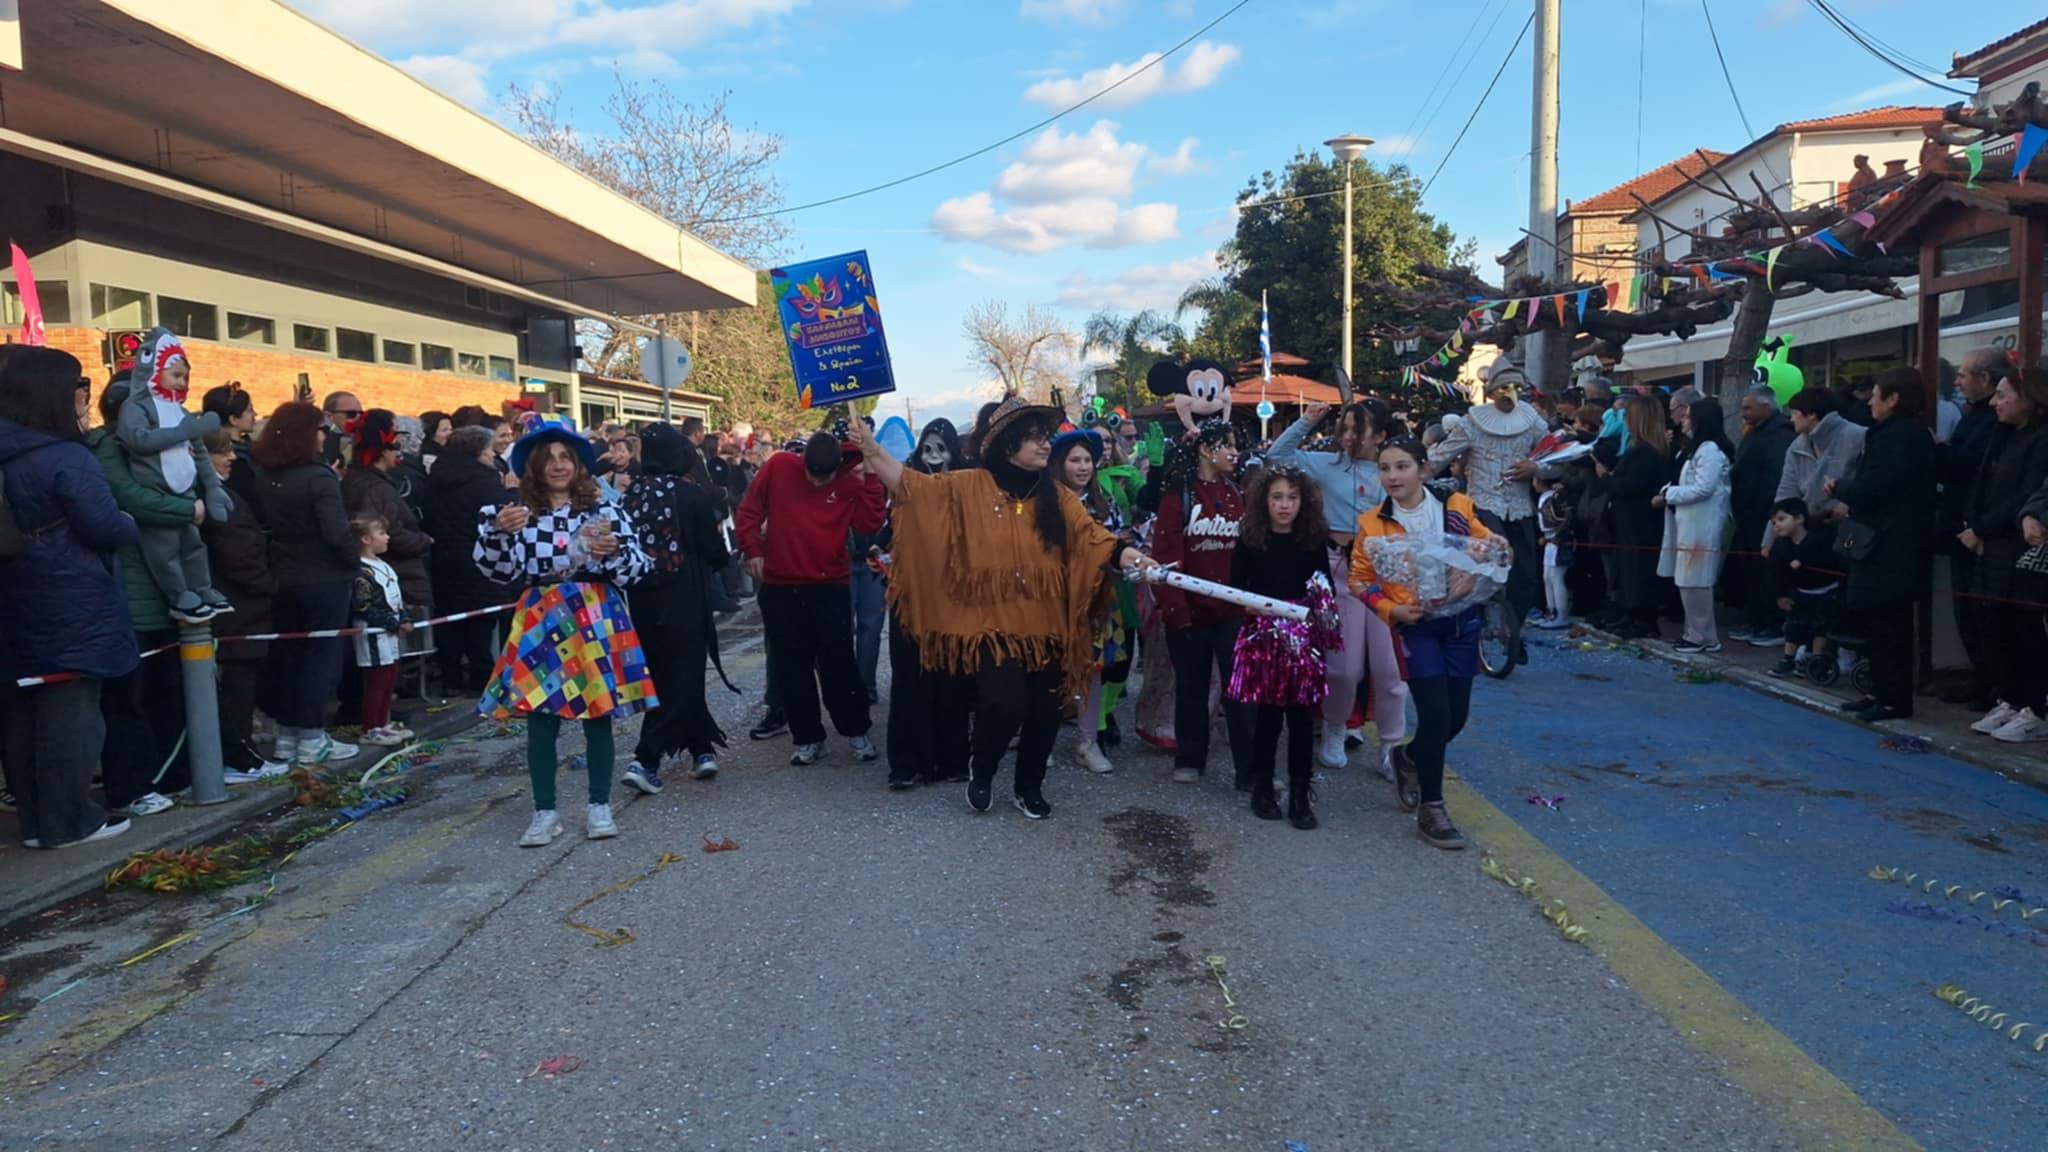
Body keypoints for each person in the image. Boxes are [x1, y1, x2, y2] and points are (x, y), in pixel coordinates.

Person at [847, 397, 1155, 819]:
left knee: (1046, 711)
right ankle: (983, 769)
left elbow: (1092, 537)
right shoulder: (968, 485)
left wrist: (1127, 556)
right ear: (1008, 445)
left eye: (1045, 437)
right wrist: (872, 449)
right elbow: (911, 488)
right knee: (1006, 703)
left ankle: (1028, 787)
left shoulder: (1058, 497)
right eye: (1034, 438)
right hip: (991, 625)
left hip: (1047, 625)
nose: (1045, 445)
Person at [475, 417, 655, 846]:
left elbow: (639, 570)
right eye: (548, 459)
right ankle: (544, 812)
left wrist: (613, 555)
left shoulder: (605, 508)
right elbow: (497, 573)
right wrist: (498, 533)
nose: (557, 466)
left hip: (595, 614)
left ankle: (599, 806)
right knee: (540, 716)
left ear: (577, 464)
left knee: (598, 714)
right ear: (534, 467)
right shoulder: (512, 512)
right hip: (541, 616)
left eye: (565, 457)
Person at [0, 348, 140, 847]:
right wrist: (128, 523)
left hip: (13, 600)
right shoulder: (64, 455)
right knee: (72, 713)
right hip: (69, 598)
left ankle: (37, 823)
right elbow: (104, 525)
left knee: (21, 713)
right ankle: (72, 820)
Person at [1352, 436, 1498, 850]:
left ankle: (1409, 758)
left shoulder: (1457, 508)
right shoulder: (1371, 523)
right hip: (1417, 627)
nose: (1392, 476)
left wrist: (1480, 559)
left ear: (1423, 469)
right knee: (1435, 715)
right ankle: (1432, 808)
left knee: (1456, 719)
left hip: (1462, 623)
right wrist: (1389, 610)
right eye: (1385, 468)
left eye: (1402, 466)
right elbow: (1359, 581)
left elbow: (1486, 547)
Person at [1264, 400, 1410, 777]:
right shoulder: (1323, 464)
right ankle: (1334, 726)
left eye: (1356, 430)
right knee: (1344, 668)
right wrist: (1306, 421)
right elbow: (1277, 455)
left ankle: (1393, 747)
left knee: (1390, 669)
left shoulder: (1391, 470)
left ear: (1379, 435)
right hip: (1337, 571)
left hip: (1382, 576)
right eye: (1343, 428)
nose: (1347, 437)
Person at [734, 430, 886, 766]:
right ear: (802, 461)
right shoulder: (779, 468)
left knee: (838, 664)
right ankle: (808, 737)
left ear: (837, 469)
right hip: (779, 585)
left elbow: (869, 522)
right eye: (811, 476)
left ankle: (856, 730)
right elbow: (748, 513)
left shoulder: (851, 482)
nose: (817, 483)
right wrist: (753, 549)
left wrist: (872, 477)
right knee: (791, 666)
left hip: (829, 585)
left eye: (825, 478)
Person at [87, 379, 194, 817]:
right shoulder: (104, 450)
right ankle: (131, 786)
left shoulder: (152, 449)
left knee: (167, 693)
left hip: (161, 587)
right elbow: (132, 501)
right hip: (130, 592)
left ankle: (170, 774)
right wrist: (189, 510)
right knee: (129, 700)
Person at [620, 423, 730, 792]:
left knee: (664, 672)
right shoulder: (691, 495)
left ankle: (701, 748)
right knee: (683, 675)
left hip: (642, 598)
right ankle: (646, 757)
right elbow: (715, 551)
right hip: (685, 593)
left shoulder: (629, 495)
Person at [251, 401, 360, 766]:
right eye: (319, 430)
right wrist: (354, 561)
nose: (323, 436)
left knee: (291, 657)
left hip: (285, 576)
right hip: (325, 578)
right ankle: (313, 737)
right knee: (320, 659)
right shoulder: (318, 477)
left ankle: (288, 735)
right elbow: (336, 532)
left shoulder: (266, 475)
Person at [1228, 467, 1334, 829]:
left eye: (1291, 497)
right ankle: (1262, 788)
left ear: (1303, 501)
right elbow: (1235, 586)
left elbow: (1326, 586)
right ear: (1264, 501)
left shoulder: (1313, 539)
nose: (1284, 505)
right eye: (1277, 498)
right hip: (1263, 637)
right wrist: (1252, 606)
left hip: (1302, 639)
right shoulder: (1250, 538)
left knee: (1302, 719)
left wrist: (1314, 612)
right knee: (1268, 718)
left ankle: (1301, 794)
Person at [1828, 367, 1935, 723]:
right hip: (1883, 542)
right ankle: (1879, 691)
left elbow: (1876, 488)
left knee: (1890, 625)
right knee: (1877, 623)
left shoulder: (1901, 437)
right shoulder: (1896, 435)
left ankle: (1893, 698)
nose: (1871, 401)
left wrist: (1840, 487)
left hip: (1892, 545)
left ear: (1894, 399)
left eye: (1877, 394)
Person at [1153, 419, 1253, 788]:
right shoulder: (1178, 495)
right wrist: (1176, 612)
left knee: (1241, 690)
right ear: (1205, 449)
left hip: (1232, 612)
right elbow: (1165, 556)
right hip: (1190, 613)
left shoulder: (1237, 493)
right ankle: (1190, 756)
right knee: (1192, 689)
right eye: (1226, 445)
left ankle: (1249, 768)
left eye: (1235, 446)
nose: (1234, 453)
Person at [1429, 366, 1547, 664]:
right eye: (1504, 389)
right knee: (1494, 559)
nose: (1510, 395)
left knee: (1528, 577)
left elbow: (1556, 457)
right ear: (1492, 392)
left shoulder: (1533, 422)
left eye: (1516, 389)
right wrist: (1407, 471)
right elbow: (1439, 458)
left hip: (1519, 508)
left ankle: (1513, 633)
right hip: (1483, 505)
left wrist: (1537, 469)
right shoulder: (1472, 423)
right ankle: (1476, 620)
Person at [883, 416, 975, 790]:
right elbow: (887, 532)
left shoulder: (969, 489)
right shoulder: (907, 488)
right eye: (928, 450)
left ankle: (952, 759)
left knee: (953, 677)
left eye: (942, 449)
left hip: (954, 599)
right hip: (912, 597)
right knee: (910, 679)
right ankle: (908, 762)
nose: (935, 457)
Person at [1960, 362, 2048, 742]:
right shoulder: (2006, 436)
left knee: (2025, 630)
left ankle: (2035, 707)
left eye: (2002, 396)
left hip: (2020, 548)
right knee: (1995, 628)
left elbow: (2024, 495)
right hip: (1994, 548)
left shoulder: (2041, 441)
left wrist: (1982, 526)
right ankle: (2010, 698)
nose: (1995, 403)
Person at [200, 428, 288, 783]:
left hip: (240, 607)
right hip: (237, 610)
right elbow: (239, 553)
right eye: (221, 452)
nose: (232, 457)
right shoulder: (217, 500)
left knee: (238, 687)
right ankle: (238, 757)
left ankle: (239, 753)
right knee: (236, 688)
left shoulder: (221, 495)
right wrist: (268, 585)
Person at [1049, 425, 1126, 775]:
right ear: (1059, 464)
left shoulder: (1104, 503)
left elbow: (1120, 540)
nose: (1082, 467)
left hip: (1098, 602)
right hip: (1055, 602)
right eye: (1074, 460)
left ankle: (1087, 742)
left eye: (1087, 460)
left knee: (1093, 672)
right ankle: (1043, 740)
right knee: (1051, 671)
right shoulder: (1045, 504)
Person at [424, 426, 521, 696]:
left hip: (443, 559)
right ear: (477, 452)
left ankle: (451, 679)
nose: (492, 455)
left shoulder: (435, 478)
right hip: (479, 559)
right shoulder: (485, 482)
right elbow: (505, 517)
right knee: (481, 622)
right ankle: (481, 679)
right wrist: (512, 493)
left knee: (450, 622)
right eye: (489, 450)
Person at [1941, 348, 2006, 710]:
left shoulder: (1992, 424)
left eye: (1964, 375)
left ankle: (1994, 684)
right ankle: (1983, 679)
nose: (1957, 381)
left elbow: (1968, 467)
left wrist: (1939, 452)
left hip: (1980, 529)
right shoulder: (1973, 415)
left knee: (1983, 612)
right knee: (1966, 610)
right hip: (1960, 524)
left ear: (1985, 379)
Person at [1657, 397, 1734, 653]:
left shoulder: (1710, 451)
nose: (1684, 421)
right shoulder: (1698, 450)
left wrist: (1670, 494)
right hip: (1691, 523)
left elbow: (1704, 488)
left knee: (1696, 582)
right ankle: (1697, 633)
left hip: (1703, 525)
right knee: (1688, 581)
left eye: (1689, 416)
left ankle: (1701, 635)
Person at [342, 411, 434, 616]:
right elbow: (388, 535)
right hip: (397, 581)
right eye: (395, 444)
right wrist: (424, 540)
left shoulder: (360, 480)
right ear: (383, 450)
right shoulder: (375, 488)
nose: (399, 451)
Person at [1727, 384, 1798, 648]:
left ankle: (1771, 622)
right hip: (1748, 513)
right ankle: (1756, 617)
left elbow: (1775, 477)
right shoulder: (1756, 432)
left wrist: (1769, 513)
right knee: (1751, 570)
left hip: (1764, 513)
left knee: (1765, 570)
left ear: (1765, 406)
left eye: (1747, 407)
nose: (1743, 413)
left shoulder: (1778, 434)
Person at [1598, 394, 1673, 638]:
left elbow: (1629, 486)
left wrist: (1605, 478)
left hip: (1640, 519)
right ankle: (1629, 613)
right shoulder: (1638, 449)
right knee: (1628, 567)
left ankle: (1642, 617)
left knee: (1639, 569)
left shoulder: (1647, 453)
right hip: (1629, 518)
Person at [350, 515, 414, 747]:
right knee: (376, 680)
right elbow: (362, 606)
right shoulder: (361, 571)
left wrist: (404, 617)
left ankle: (383, 721)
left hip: (391, 632)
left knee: (390, 678)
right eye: (382, 533)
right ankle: (370, 727)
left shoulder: (384, 566)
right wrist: (392, 622)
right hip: (374, 633)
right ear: (366, 539)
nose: (387, 537)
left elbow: (397, 598)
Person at [1765, 498, 1840, 680]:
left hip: (1825, 590)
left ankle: (1817, 659)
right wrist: (1780, 596)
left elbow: (1832, 562)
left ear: (1799, 518)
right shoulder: (1780, 546)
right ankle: (1788, 658)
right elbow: (1775, 574)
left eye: (1782, 519)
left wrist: (1805, 562)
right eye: (1774, 522)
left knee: (1820, 627)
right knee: (1794, 625)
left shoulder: (1821, 537)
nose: (1777, 526)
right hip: (1799, 590)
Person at [1534, 472, 1574, 628]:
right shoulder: (1545, 497)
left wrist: (1560, 536)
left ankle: (1562, 614)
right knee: (1547, 577)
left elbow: (1568, 517)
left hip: (1559, 541)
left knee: (1556, 577)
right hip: (1549, 540)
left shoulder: (1556, 497)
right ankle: (1551, 612)